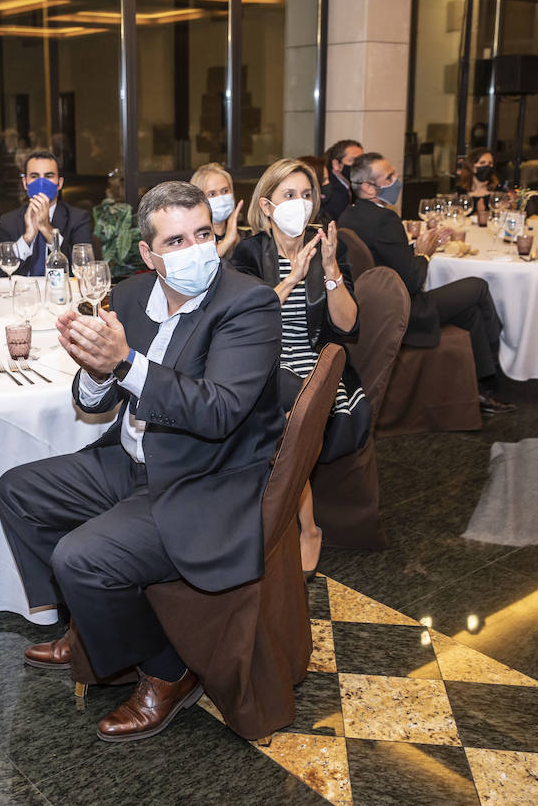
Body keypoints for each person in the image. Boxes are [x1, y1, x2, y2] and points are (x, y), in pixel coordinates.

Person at [0, 180, 284, 743]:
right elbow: (91, 400)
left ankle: (167, 668)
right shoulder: (130, 297)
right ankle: (88, 631)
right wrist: (98, 369)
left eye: (203, 233)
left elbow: (220, 411)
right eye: (175, 241)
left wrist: (124, 362)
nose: (196, 248)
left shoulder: (248, 304)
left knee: (80, 558)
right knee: (19, 491)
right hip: (129, 459)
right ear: (150, 255)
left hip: (201, 477)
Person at [231, 158, 362, 576]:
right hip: (265, 366)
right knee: (283, 407)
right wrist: (291, 279)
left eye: (307, 195)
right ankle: (296, 521)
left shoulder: (327, 247)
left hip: (318, 368)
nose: (300, 204)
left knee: (291, 414)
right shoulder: (248, 254)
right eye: (289, 195)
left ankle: (305, 527)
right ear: (267, 206)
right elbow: (247, 324)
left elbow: (347, 324)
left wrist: (329, 270)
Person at [341, 152, 514, 414]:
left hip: (372, 307)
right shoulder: (385, 220)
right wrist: (424, 253)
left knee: (470, 312)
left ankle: (480, 388)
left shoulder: (350, 215)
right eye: (389, 178)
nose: (397, 181)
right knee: (477, 287)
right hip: (402, 310)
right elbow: (412, 282)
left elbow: (384, 256)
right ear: (367, 187)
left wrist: (415, 246)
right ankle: (497, 363)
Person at [0, 150, 93, 275]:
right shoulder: (8, 221)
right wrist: (27, 238)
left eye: (49, 176)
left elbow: (83, 270)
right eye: (34, 176)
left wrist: (47, 229)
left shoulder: (78, 218)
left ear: (60, 183)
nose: (41, 183)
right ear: (25, 183)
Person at [190, 162, 244, 259]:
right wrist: (227, 240)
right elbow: (201, 269)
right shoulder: (190, 241)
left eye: (225, 191)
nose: (221, 198)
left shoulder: (246, 237)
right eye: (212, 194)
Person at [320, 139, 362, 220]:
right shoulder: (334, 191)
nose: (359, 165)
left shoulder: (350, 186)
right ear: (336, 164)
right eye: (353, 160)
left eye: (361, 161)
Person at [455, 148, 502, 213]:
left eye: (490, 163)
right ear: (472, 166)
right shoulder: (459, 192)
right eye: (482, 163)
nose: (487, 166)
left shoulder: (498, 192)